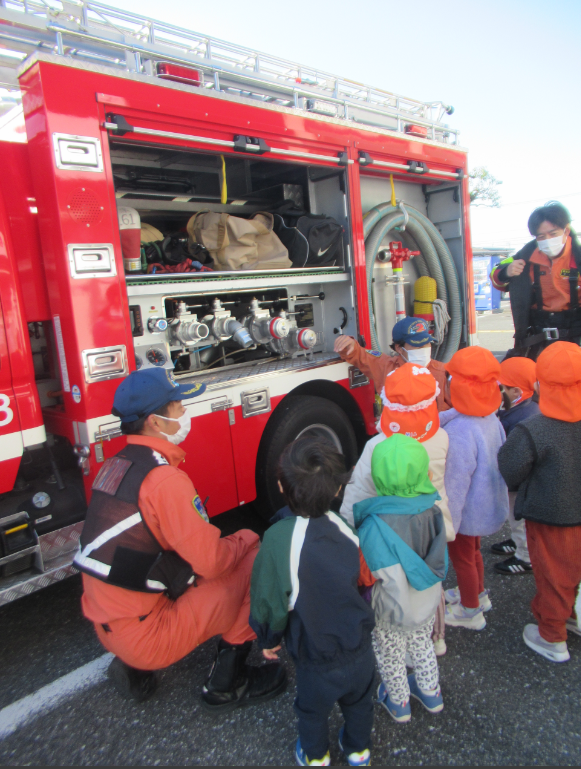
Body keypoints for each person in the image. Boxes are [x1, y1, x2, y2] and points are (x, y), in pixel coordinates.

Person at [75, 367, 286, 708]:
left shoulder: (115, 465)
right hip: (148, 635)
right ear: (155, 422)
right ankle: (227, 680)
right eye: (176, 405)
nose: (184, 412)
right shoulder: (163, 480)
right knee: (256, 561)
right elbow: (213, 563)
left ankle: (134, 666)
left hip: (110, 628)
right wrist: (246, 538)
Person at [250, 438, 376, 767]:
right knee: (360, 705)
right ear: (337, 491)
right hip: (360, 647)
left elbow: (269, 599)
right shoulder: (345, 527)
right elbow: (364, 578)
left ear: (281, 485)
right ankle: (358, 750)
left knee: (311, 711)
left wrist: (268, 638)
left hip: (316, 658)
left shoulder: (278, 539)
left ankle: (316, 756)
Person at [340, 362, 454, 656]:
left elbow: (358, 490)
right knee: (431, 580)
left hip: (388, 532)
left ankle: (394, 640)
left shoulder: (378, 445)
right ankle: (435, 638)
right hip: (431, 523)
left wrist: (348, 526)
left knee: (393, 584)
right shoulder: (440, 437)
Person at [353, 434, 447, 724]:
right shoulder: (433, 512)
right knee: (422, 644)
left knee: (391, 654)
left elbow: (365, 575)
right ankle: (431, 692)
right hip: (426, 603)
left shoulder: (372, 525)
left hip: (390, 609)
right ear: (423, 472)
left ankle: (398, 701)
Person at [498, 342, 581, 663]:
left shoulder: (534, 428)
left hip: (550, 514)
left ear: (538, 385)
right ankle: (571, 616)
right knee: (574, 570)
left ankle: (551, 635)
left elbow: (510, 468)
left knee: (552, 574)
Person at [440, 347, 509, 630]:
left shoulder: (459, 432)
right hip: (485, 503)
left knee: (463, 559)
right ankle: (478, 595)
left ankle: (470, 610)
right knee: (475, 552)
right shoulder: (490, 420)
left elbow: (455, 484)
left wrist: (449, 522)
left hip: (465, 511)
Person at [490, 201, 581, 360]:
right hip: (539, 336)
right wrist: (507, 271)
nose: (548, 240)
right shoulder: (525, 256)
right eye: (541, 236)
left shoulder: (578, 257)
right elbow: (495, 276)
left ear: (566, 231)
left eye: (553, 234)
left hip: (575, 334)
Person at [334, 316, 451, 411]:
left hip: (432, 435)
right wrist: (348, 344)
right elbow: (359, 355)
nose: (424, 349)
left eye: (427, 344)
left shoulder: (443, 372)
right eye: (417, 345)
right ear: (399, 348)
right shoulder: (387, 367)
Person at [491, 357, 540, 575]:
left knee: (519, 519)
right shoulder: (517, 407)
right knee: (515, 519)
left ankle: (525, 557)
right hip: (519, 484)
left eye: (500, 387)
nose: (495, 390)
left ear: (517, 392)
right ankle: (516, 541)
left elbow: (517, 459)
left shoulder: (524, 419)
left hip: (520, 486)